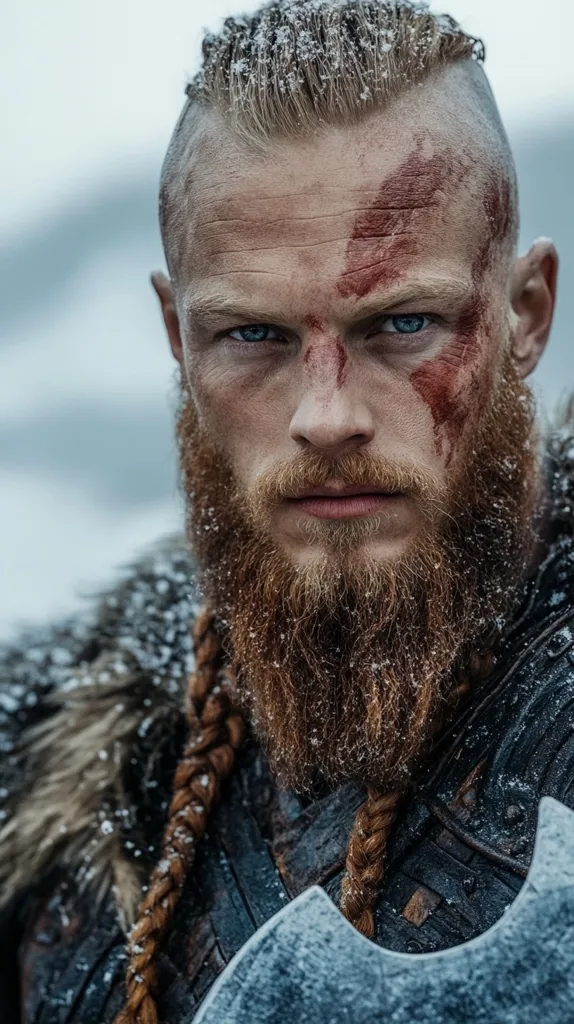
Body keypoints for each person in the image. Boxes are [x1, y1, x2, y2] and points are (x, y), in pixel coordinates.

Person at [0, 1, 569, 1021]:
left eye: (404, 322)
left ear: (524, 313)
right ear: (177, 335)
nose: (325, 414)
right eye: (253, 336)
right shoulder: (51, 771)